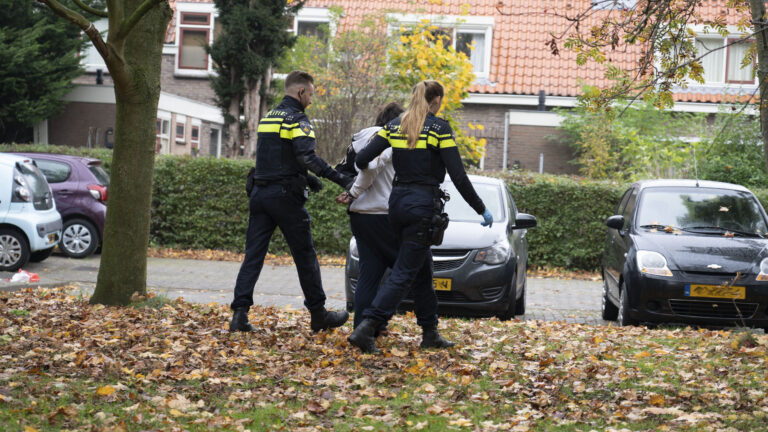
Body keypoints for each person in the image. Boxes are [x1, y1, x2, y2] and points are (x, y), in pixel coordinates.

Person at [348, 80, 493, 353]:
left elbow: (361, 159)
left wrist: (373, 170)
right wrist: (480, 209)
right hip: (422, 207)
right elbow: (458, 176)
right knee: (403, 273)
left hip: (397, 205)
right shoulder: (439, 129)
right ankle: (368, 326)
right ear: (436, 100)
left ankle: (430, 332)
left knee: (423, 269)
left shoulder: (395, 126)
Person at [230, 70, 353, 333]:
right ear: (300, 92)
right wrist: (341, 179)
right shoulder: (297, 119)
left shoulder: (268, 118)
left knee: (253, 255)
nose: (311, 98)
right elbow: (307, 156)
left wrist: (307, 178)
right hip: (285, 199)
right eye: (310, 93)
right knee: (305, 256)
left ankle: (239, 314)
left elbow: (279, 159)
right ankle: (319, 314)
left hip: (260, 196)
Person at [335, 102, 405, 330]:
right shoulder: (391, 138)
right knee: (406, 271)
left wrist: (351, 190)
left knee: (369, 273)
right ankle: (376, 321)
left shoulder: (359, 137)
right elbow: (371, 166)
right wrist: (354, 190)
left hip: (360, 215)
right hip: (384, 214)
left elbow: (342, 169)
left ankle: (362, 326)